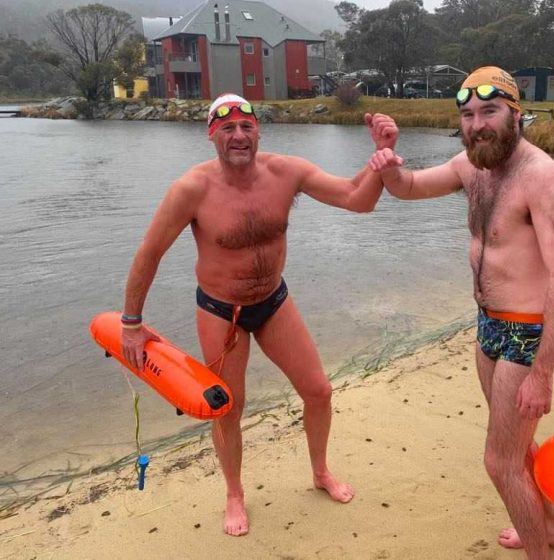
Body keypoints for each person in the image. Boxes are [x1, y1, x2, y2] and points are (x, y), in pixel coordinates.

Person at [120, 93, 398, 536]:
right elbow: (149, 254)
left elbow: (355, 199)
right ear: (211, 134)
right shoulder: (192, 189)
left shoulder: (287, 172)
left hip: (273, 301)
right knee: (229, 409)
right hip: (219, 310)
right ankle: (234, 494)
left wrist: (380, 158)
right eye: (227, 128)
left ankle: (320, 471)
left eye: (246, 126)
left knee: (319, 391)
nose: (238, 136)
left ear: (258, 131)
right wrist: (131, 325)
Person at [368, 67, 554, 560]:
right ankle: (548, 530)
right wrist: (387, 157)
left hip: (528, 333)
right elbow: (408, 187)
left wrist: (543, 372)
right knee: (519, 448)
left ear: (516, 114)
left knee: (499, 461)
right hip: (488, 325)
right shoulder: (473, 167)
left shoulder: (542, 177)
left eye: (489, 111)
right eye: (467, 115)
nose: (477, 124)